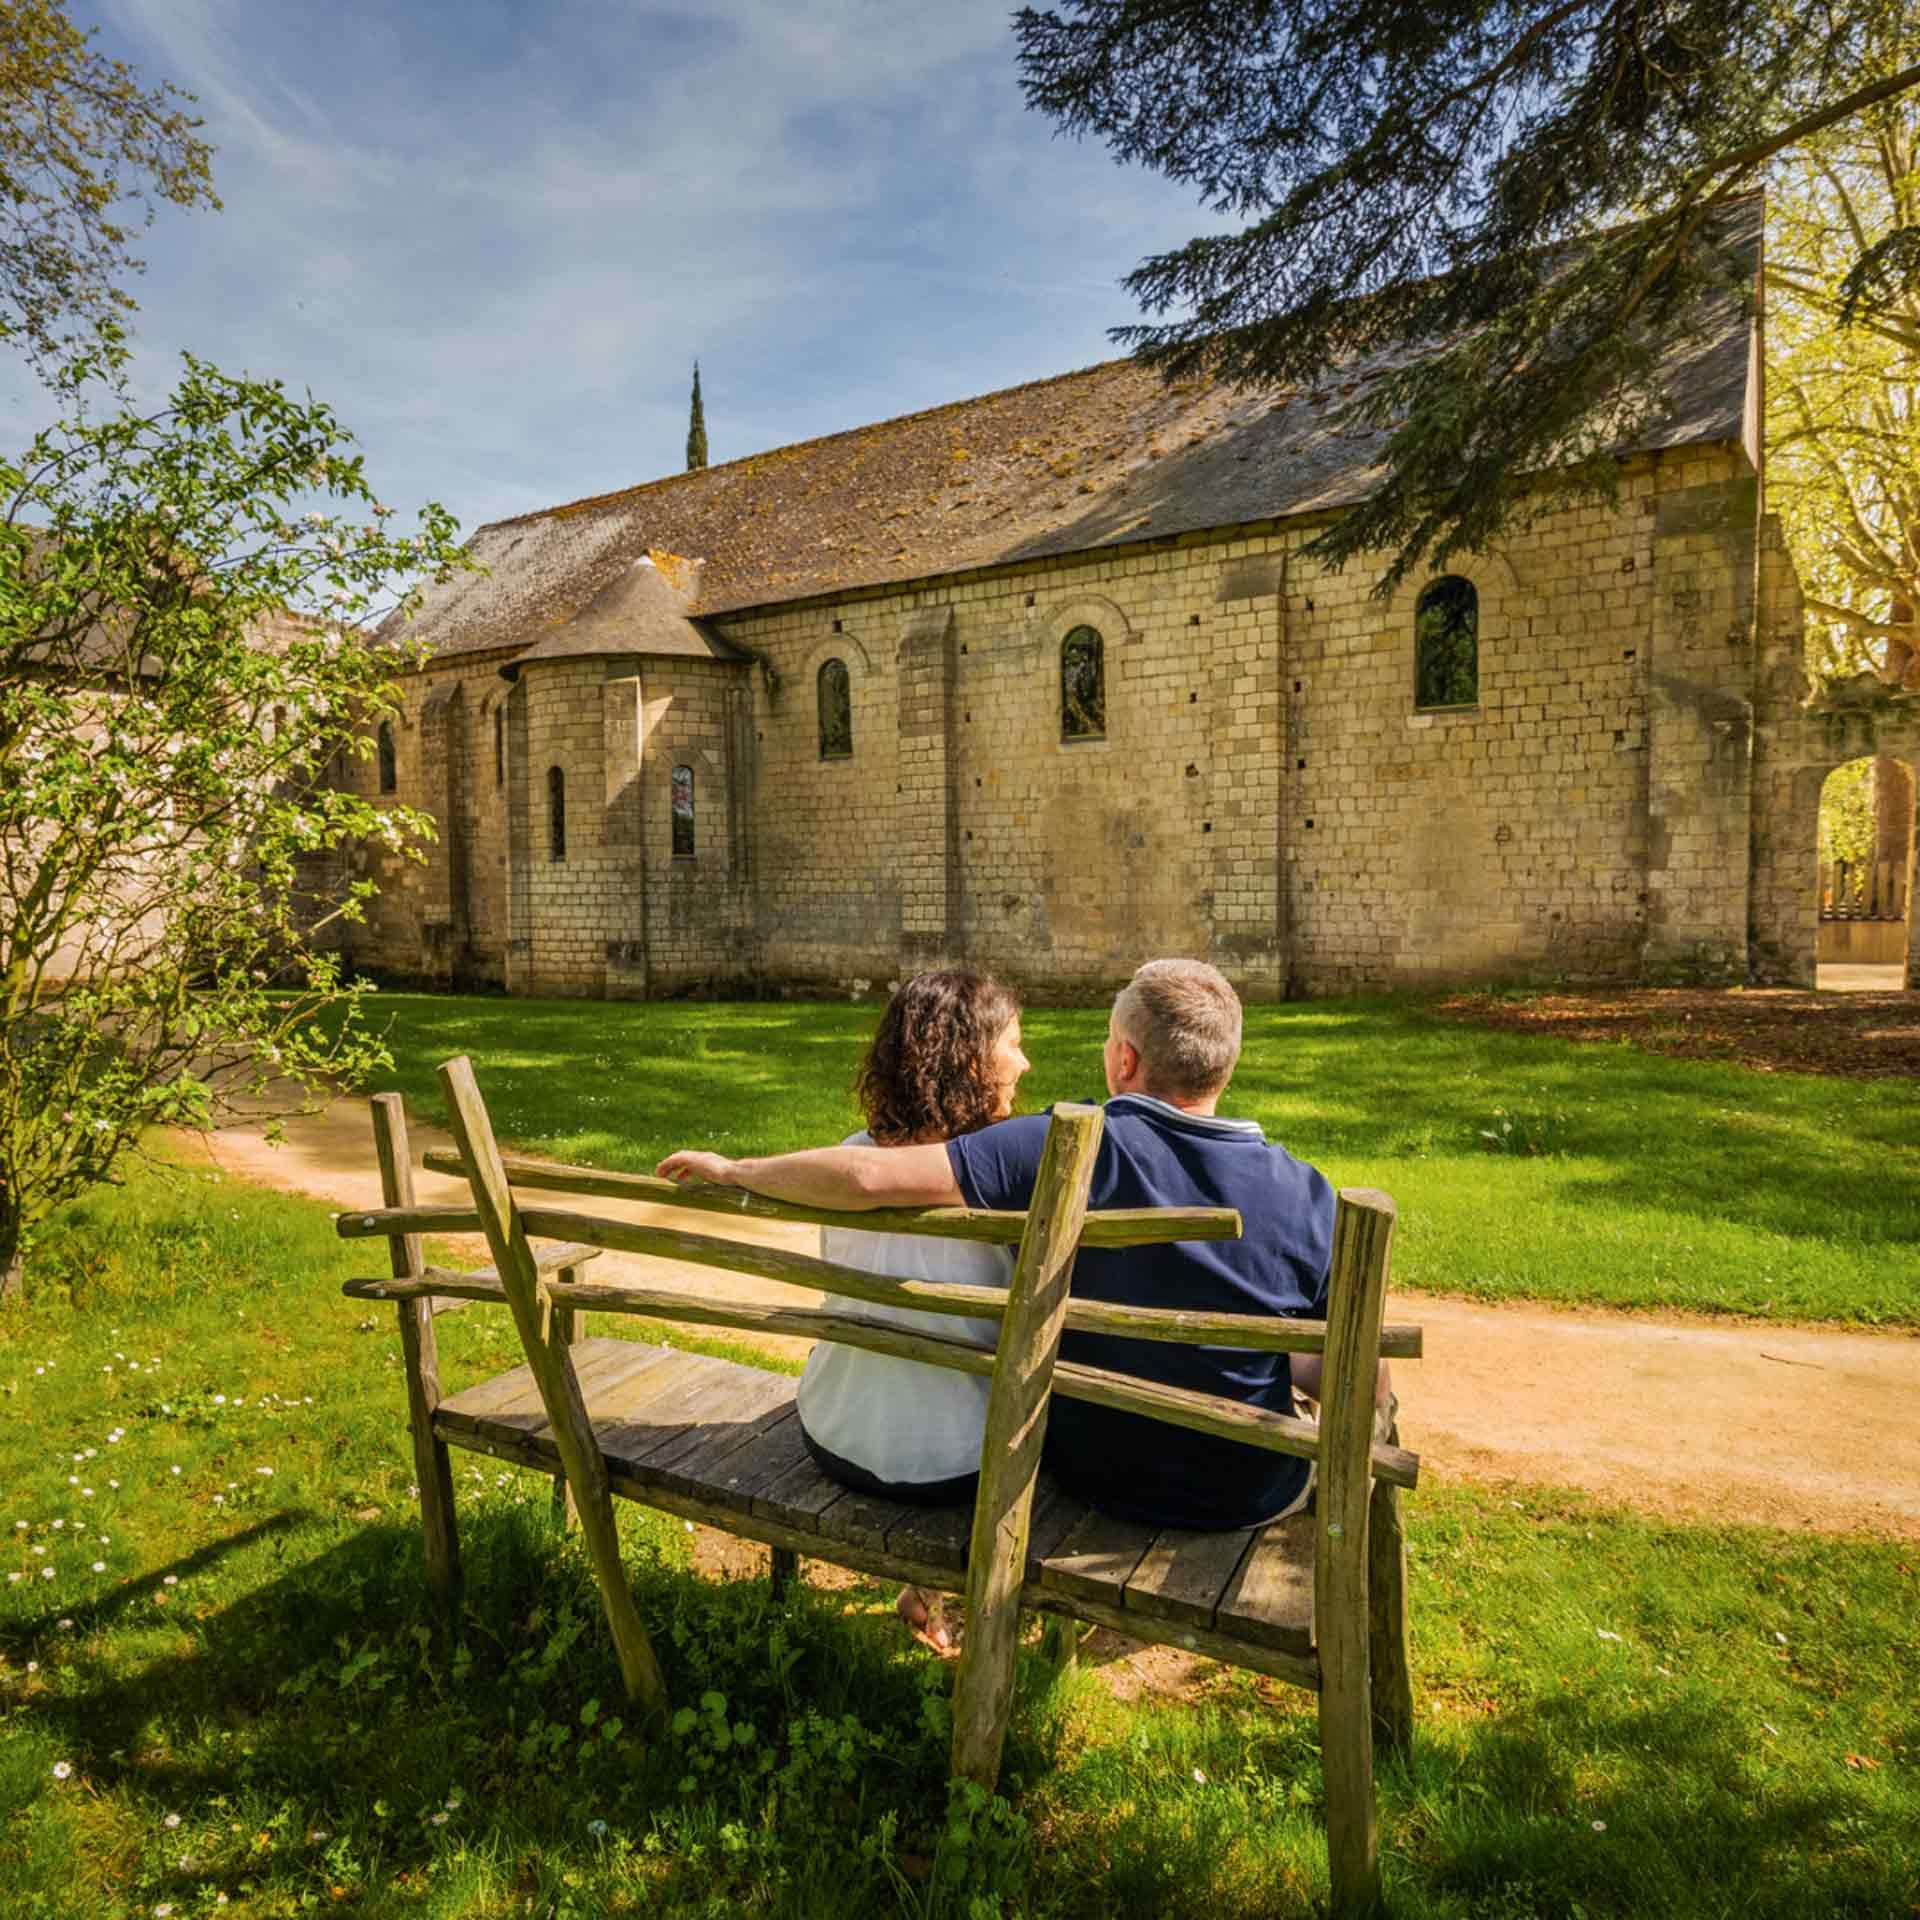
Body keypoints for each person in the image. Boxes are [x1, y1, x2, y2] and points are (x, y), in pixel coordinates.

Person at [660, 958, 1385, 1536]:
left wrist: (733, 1170)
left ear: (1124, 1061)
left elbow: (869, 1170)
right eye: (1017, 1044)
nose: (1031, 1062)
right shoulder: (1308, 1192)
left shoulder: (1058, 1149)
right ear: (1221, 1065)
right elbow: (1344, 1374)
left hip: (1082, 1469)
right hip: (1239, 1491)